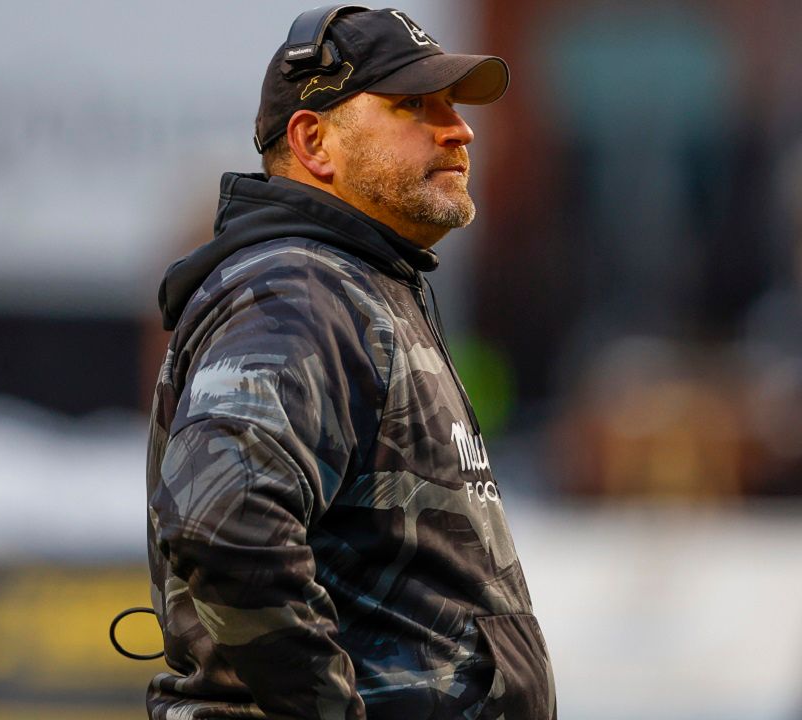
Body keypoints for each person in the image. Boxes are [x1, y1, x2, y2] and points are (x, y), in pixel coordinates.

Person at [143, 6, 555, 719]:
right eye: (412, 105)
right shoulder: (300, 290)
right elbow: (222, 518)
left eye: (452, 105)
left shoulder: (357, 284)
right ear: (313, 141)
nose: (460, 128)